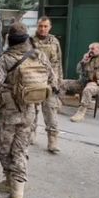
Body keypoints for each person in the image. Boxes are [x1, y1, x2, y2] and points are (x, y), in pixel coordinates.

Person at [0, 22, 56, 198]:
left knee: (5, 148)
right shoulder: (39, 55)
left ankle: (9, 182)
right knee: (21, 150)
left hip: (8, 112)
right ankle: (18, 192)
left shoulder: (6, 58)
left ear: (9, 39)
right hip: (29, 110)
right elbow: (52, 79)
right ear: (26, 38)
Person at [30, 16, 63, 153]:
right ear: (37, 26)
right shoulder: (30, 41)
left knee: (50, 110)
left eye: (45, 26)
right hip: (34, 80)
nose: (43, 29)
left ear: (50, 27)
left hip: (50, 82)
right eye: (40, 26)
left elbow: (58, 63)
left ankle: (52, 140)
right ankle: (31, 133)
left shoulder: (54, 42)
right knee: (31, 110)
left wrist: (59, 82)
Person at [62, 42, 99, 123]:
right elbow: (78, 70)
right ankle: (56, 104)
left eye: (92, 49)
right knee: (62, 83)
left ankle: (81, 113)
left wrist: (98, 82)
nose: (90, 50)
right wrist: (83, 62)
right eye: (89, 49)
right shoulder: (88, 58)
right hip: (83, 83)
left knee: (88, 89)